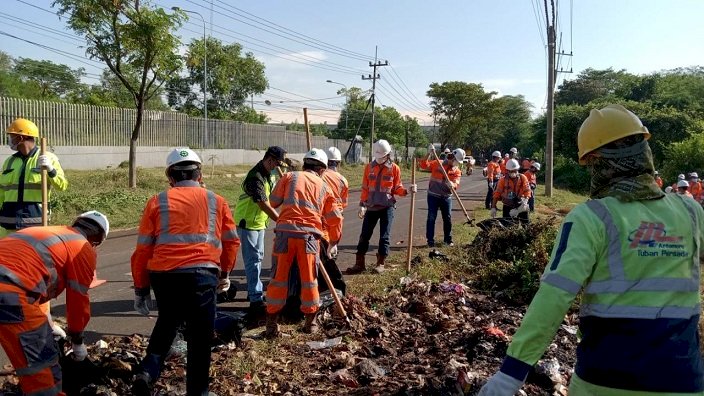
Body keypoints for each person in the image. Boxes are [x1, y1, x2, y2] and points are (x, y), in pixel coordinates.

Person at [479, 104, 704, 396]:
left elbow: (555, 296)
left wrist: (511, 373)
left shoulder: (591, 217)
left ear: (598, 162)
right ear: (643, 152)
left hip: (605, 381)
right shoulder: (690, 212)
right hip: (683, 381)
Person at [131, 148, 240, 396]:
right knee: (200, 337)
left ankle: (147, 372)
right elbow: (232, 242)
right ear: (199, 174)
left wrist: (140, 289)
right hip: (202, 275)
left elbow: (142, 250)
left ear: (170, 177)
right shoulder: (217, 200)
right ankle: (198, 392)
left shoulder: (156, 202)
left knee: (168, 321)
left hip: (164, 277)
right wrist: (224, 274)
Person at [0, 210, 109, 396]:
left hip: (11, 289)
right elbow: (78, 301)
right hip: (10, 295)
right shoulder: (83, 248)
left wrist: (48, 323)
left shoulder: (46, 232)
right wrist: (77, 341)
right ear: (97, 239)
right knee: (43, 371)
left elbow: (33, 280)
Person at [2, 118, 70, 339]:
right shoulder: (9, 162)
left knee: (35, 274)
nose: (10, 140)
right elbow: (1, 191)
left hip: (34, 228)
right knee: (6, 273)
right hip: (7, 227)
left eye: (12, 136)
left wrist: (50, 170)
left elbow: (62, 185)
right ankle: (10, 312)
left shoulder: (47, 158)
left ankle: (41, 316)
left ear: (21, 137)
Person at [264, 148, 343, 337]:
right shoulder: (325, 187)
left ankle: (271, 325)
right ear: (322, 170)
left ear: (305, 163)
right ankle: (310, 323)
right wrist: (333, 242)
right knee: (309, 280)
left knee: (278, 279)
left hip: (284, 234)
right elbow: (335, 218)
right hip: (309, 237)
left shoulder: (289, 177)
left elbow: (273, 202)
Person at [346, 140, 417, 274]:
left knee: (384, 237)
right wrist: (362, 205)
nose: (379, 159)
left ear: (387, 155)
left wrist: (407, 190)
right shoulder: (369, 167)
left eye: (382, 157)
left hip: (387, 207)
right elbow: (365, 188)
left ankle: (381, 263)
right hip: (371, 207)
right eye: (377, 156)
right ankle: (359, 264)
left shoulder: (394, 168)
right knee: (364, 236)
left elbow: (397, 188)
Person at [233, 146, 285, 318]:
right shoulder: (255, 177)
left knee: (258, 257)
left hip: (258, 223)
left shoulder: (268, 173)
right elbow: (263, 203)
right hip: (247, 222)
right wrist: (281, 221)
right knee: (253, 260)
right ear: (269, 159)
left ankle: (252, 290)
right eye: (277, 163)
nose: (278, 166)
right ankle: (256, 298)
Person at [420, 145, 463, 247]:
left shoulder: (456, 170)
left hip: (446, 197)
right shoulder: (437, 163)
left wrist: (453, 185)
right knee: (431, 217)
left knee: (447, 218)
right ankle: (430, 240)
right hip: (433, 196)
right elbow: (423, 165)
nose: (456, 163)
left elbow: (456, 182)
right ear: (452, 157)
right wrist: (429, 153)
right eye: (456, 161)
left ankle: (448, 240)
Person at [320, 146, 349, 294]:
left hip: (322, 216)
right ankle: (330, 276)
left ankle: (322, 277)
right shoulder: (343, 180)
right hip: (336, 217)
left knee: (322, 248)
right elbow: (343, 203)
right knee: (332, 245)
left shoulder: (320, 175)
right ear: (338, 163)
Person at [491, 159, 531, 223]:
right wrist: (493, 207)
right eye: (511, 171)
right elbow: (497, 194)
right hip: (507, 206)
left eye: (514, 171)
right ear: (508, 171)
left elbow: (527, 191)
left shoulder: (523, 178)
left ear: (517, 169)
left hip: (521, 205)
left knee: (526, 225)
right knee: (507, 226)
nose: (513, 173)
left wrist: (521, 206)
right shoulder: (502, 180)